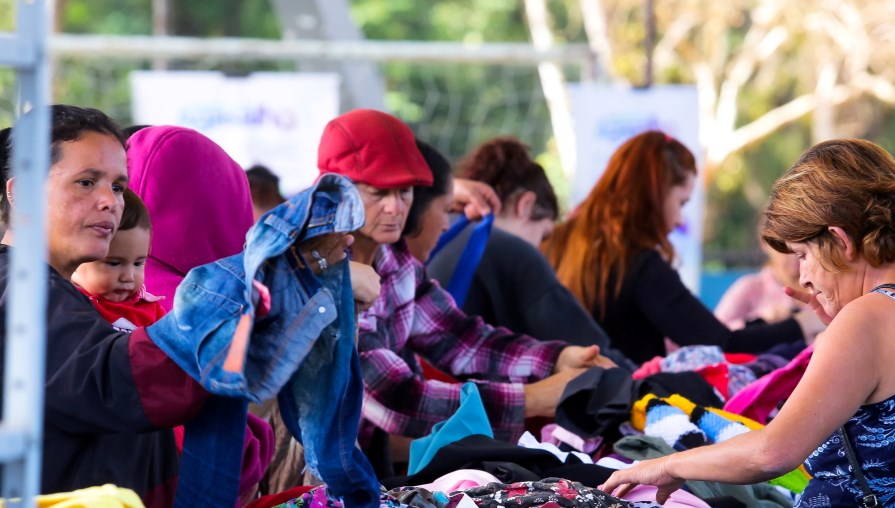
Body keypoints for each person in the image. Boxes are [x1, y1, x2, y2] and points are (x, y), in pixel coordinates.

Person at [601, 138, 895, 508]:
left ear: (841, 241)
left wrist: (669, 465)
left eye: (803, 255)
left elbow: (773, 452)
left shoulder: (868, 320)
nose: (803, 277)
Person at [0, 105, 346, 508]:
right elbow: (118, 380)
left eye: (119, 186)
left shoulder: (51, 289)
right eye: (86, 182)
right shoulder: (19, 287)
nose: (110, 202)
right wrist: (268, 275)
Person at [316, 109, 613, 474]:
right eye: (379, 192)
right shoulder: (320, 275)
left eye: (405, 192)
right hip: (312, 476)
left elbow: (460, 336)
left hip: (368, 465)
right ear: (336, 192)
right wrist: (534, 399)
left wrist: (556, 359)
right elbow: (395, 399)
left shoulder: (396, 261)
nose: (396, 208)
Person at [543, 130, 821, 365]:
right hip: (617, 405)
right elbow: (721, 344)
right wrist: (805, 323)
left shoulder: (556, 243)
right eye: (681, 202)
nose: (678, 220)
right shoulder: (639, 263)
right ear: (654, 194)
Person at [426, 136, 630, 364]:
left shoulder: (436, 231)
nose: (539, 248)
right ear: (525, 204)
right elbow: (593, 352)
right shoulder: (513, 252)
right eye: (543, 235)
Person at [71, 189, 166, 332]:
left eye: (138, 263)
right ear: (74, 258)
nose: (128, 277)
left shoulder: (151, 311)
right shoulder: (67, 305)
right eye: (114, 263)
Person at [714, 226, 809, 330]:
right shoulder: (749, 287)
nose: (794, 254)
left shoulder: (819, 289)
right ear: (765, 243)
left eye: (803, 242)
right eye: (784, 246)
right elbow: (714, 332)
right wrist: (759, 321)